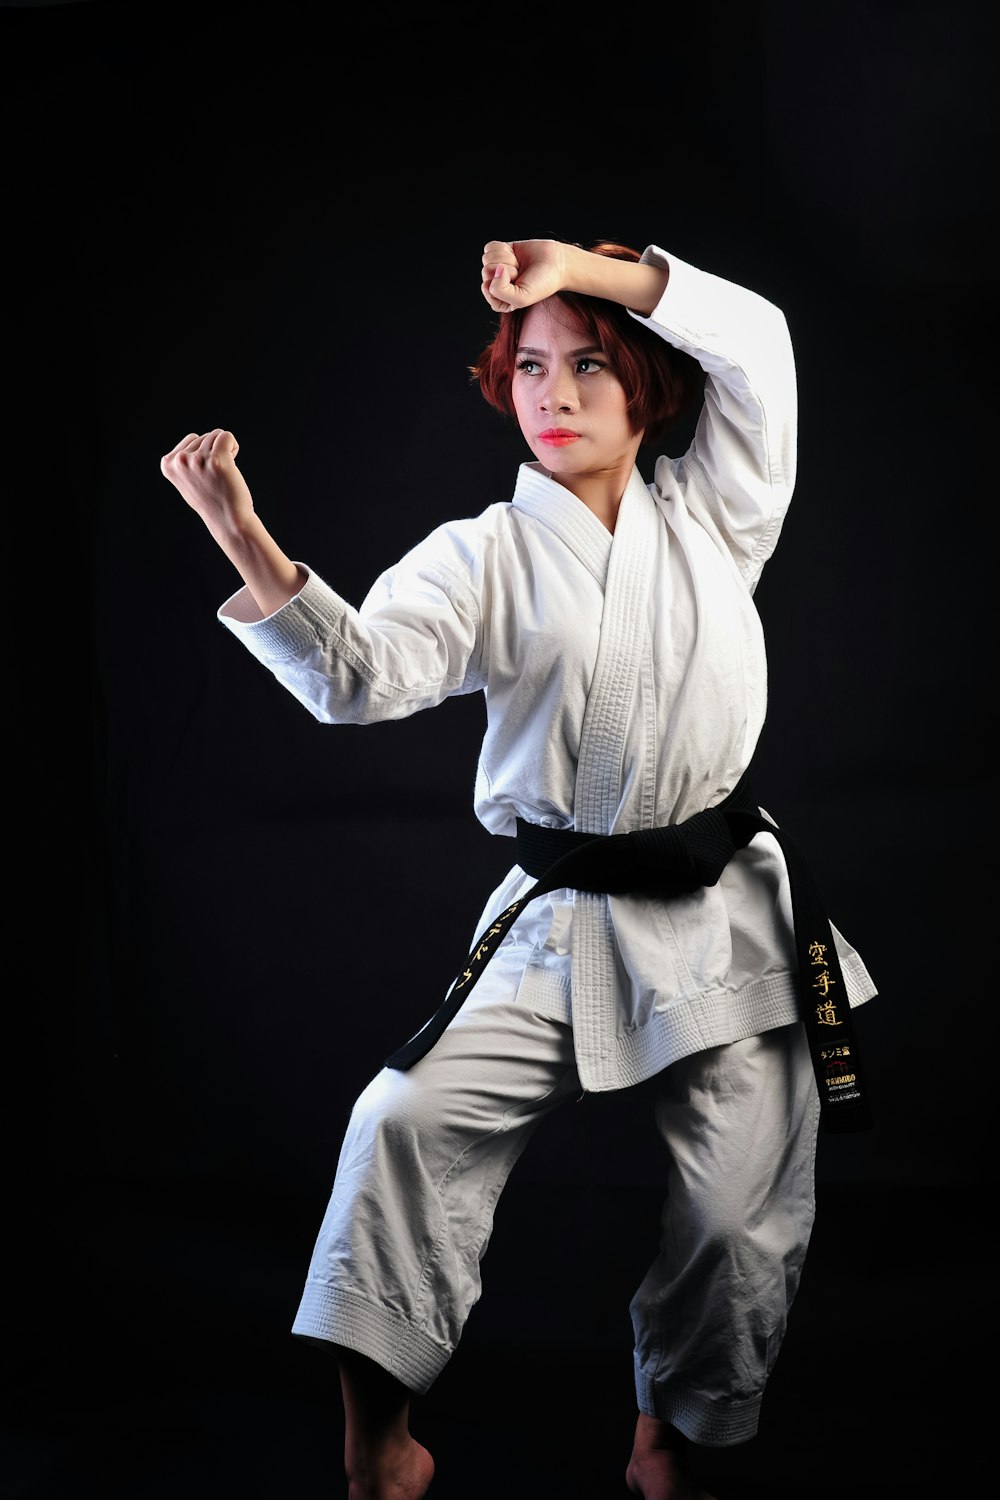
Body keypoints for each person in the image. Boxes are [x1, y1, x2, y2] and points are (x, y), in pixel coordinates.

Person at [160, 236, 877, 1500]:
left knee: (736, 1220)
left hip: (729, 920)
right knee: (399, 1124)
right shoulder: (483, 553)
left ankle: (673, 1436)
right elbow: (358, 678)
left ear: (646, 387)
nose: (553, 394)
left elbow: (755, 340)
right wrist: (242, 535)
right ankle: (378, 1441)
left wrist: (576, 265)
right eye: (530, 367)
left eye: (589, 364)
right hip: (566, 921)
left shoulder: (717, 510)